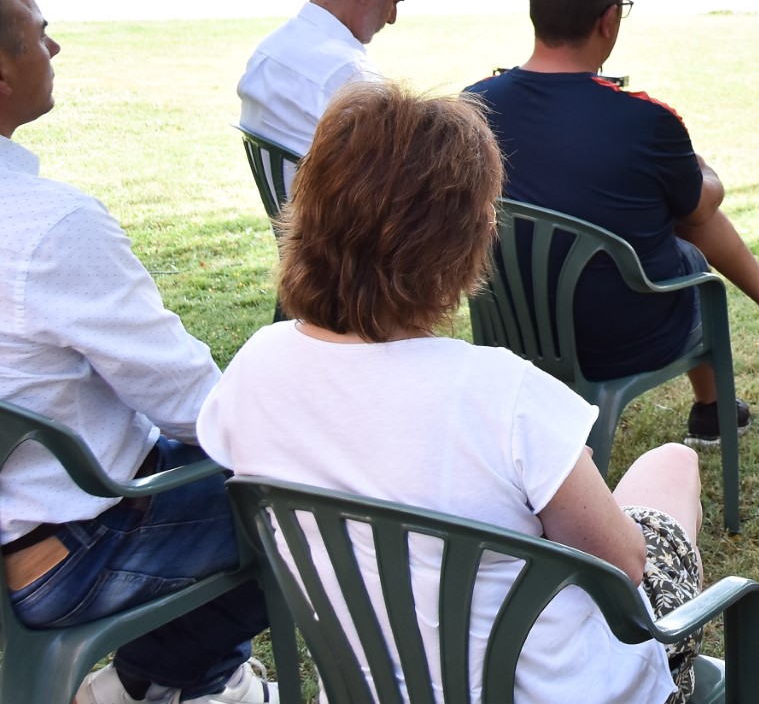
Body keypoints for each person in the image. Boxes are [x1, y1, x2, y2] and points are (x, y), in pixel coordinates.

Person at [200, 81, 708, 704]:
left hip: (378, 683)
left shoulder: (255, 367)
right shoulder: (500, 393)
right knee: (672, 467)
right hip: (565, 688)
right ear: (460, 242)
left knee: (661, 469)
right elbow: (626, 570)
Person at [0, 0, 273, 704]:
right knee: (322, 494)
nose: (55, 47)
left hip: (39, 518)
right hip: (67, 552)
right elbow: (195, 403)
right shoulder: (50, 228)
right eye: (42, 30)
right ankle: (169, 682)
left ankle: (163, 684)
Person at [466, 0, 759, 447]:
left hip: (508, 325)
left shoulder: (472, 106)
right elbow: (701, 206)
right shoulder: (646, 119)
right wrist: (703, 169)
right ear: (609, 20)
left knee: (651, 211)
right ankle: (719, 400)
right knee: (689, 250)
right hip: (621, 338)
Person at [237, 0, 423, 156]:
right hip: (324, 194)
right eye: (395, 1)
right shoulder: (352, 75)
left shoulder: (267, 51)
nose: (392, 18)